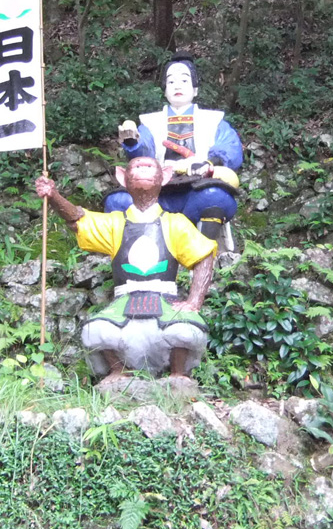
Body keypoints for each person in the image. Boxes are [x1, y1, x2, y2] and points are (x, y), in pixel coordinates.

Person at [36, 156, 216, 384]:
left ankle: (177, 373)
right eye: (137, 166)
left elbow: (204, 256)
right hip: (125, 300)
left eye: (149, 166)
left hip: (165, 299)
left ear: (166, 176)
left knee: (185, 330)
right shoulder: (115, 223)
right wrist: (53, 196)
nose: (143, 168)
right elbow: (77, 220)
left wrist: (194, 302)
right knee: (95, 330)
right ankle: (118, 372)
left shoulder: (175, 223)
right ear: (123, 177)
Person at [107, 53, 243, 239]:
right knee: (118, 201)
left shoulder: (213, 120)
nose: (177, 86)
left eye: (184, 81)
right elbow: (143, 152)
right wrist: (132, 141)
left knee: (216, 196)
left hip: (196, 189)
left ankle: (204, 253)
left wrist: (209, 162)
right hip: (156, 192)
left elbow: (229, 148)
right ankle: (139, 252)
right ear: (164, 90)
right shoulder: (150, 123)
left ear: (195, 89)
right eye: (171, 82)